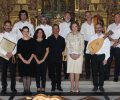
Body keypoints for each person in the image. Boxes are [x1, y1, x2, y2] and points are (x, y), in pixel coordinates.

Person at [86, 23, 110, 92]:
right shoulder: (92, 37)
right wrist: (89, 51)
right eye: (97, 28)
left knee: (102, 72)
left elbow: (107, 49)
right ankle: (95, 86)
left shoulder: (105, 38)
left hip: (102, 56)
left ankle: (101, 86)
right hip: (94, 56)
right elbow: (88, 47)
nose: (98, 29)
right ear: (95, 29)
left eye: (99, 27)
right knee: (94, 72)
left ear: (102, 28)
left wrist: (106, 59)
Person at [66, 21, 84, 92]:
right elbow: (67, 46)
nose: (74, 28)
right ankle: (71, 87)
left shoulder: (81, 35)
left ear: (78, 27)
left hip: (79, 56)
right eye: (73, 26)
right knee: (71, 72)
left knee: (77, 72)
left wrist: (78, 54)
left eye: (75, 26)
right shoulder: (68, 35)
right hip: (70, 55)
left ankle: (77, 87)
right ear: (71, 28)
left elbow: (82, 46)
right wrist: (71, 54)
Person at [0, 20, 17, 94]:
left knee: (13, 73)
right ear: (3, 26)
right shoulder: (0, 35)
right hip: (3, 56)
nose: (7, 27)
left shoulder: (14, 35)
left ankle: (13, 87)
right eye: (6, 25)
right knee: (3, 73)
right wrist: (5, 53)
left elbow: (16, 45)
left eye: (9, 25)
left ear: (11, 26)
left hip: (12, 56)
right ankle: (4, 87)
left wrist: (12, 53)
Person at [47, 24, 65, 92]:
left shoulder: (62, 39)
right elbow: (48, 49)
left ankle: (59, 86)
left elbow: (63, 48)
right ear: (52, 30)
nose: (56, 30)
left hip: (59, 59)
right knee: (52, 73)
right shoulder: (49, 38)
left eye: (57, 28)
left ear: (59, 30)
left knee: (58, 73)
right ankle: (53, 86)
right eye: (54, 28)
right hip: (51, 58)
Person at [17, 26, 35, 95]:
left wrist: (30, 60)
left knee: (29, 75)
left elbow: (34, 51)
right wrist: (24, 60)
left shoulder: (32, 40)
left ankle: (28, 90)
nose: (26, 33)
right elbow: (18, 52)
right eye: (24, 31)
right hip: (22, 60)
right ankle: (25, 90)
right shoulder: (20, 41)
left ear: (29, 32)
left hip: (30, 60)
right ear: (22, 32)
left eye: (27, 31)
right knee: (24, 75)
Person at [80, 11, 95, 79]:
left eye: (89, 15)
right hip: (86, 43)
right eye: (86, 15)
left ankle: (94, 73)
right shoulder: (83, 25)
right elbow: (82, 35)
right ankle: (88, 75)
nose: (88, 16)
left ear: (91, 15)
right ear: (85, 17)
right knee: (87, 60)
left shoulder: (95, 23)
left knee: (94, 59)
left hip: (95, 43)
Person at [33, 28, 49, 93]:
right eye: (38, 32)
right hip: (36, 59)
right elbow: (32, 52)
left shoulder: (46, 41)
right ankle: (38, 87)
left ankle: (43, 87)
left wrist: (42, 60)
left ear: (43, 34)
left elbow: (47, 51)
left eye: (41, 32)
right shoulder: (33, 41)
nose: (40, 34)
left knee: (43, 75)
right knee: (37, 74)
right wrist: (37, 60)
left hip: (44, 59)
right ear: (36, 33)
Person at [106, 13, 120, 82]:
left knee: (118, 62)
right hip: (111, 46)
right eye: (116, 17)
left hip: (119, 47)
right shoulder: (111, 26)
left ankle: (116, 77)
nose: (117, 18)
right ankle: (106, 76)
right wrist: (112, 40)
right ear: (114, 18)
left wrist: (117, 42)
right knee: (108, 61)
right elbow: (107, 35)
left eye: (118, 17)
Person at [59, 11, 71, 79]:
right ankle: (66, 74)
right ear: (64, 17)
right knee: (65, 59)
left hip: (72, 44)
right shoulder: (61, 25)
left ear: (70, 17)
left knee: (71, 59)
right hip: (64, 44)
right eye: (66, 16)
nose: (68, 17)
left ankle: (71, 73)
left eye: (69, 16)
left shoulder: (72, 24)